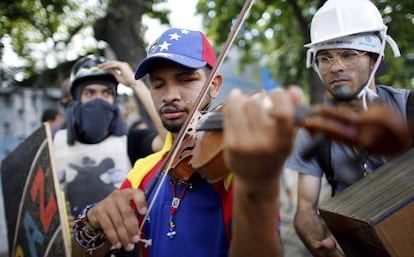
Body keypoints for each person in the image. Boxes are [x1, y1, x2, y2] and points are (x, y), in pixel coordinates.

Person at [69, 27, 302, 257]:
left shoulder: (233, 165)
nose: (169, 96)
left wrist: (258, 187)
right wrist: (92, 221)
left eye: (186, 80)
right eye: (158, 85)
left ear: (214, 85)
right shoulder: (143, 170)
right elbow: (80, 253)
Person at [286, 0, 413, 256]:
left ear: (374, 58)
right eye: (325, 58)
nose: (335, 67)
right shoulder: (314, 130)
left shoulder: (409, 107)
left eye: (348, 54)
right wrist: (316, 243)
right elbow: (305, 209)